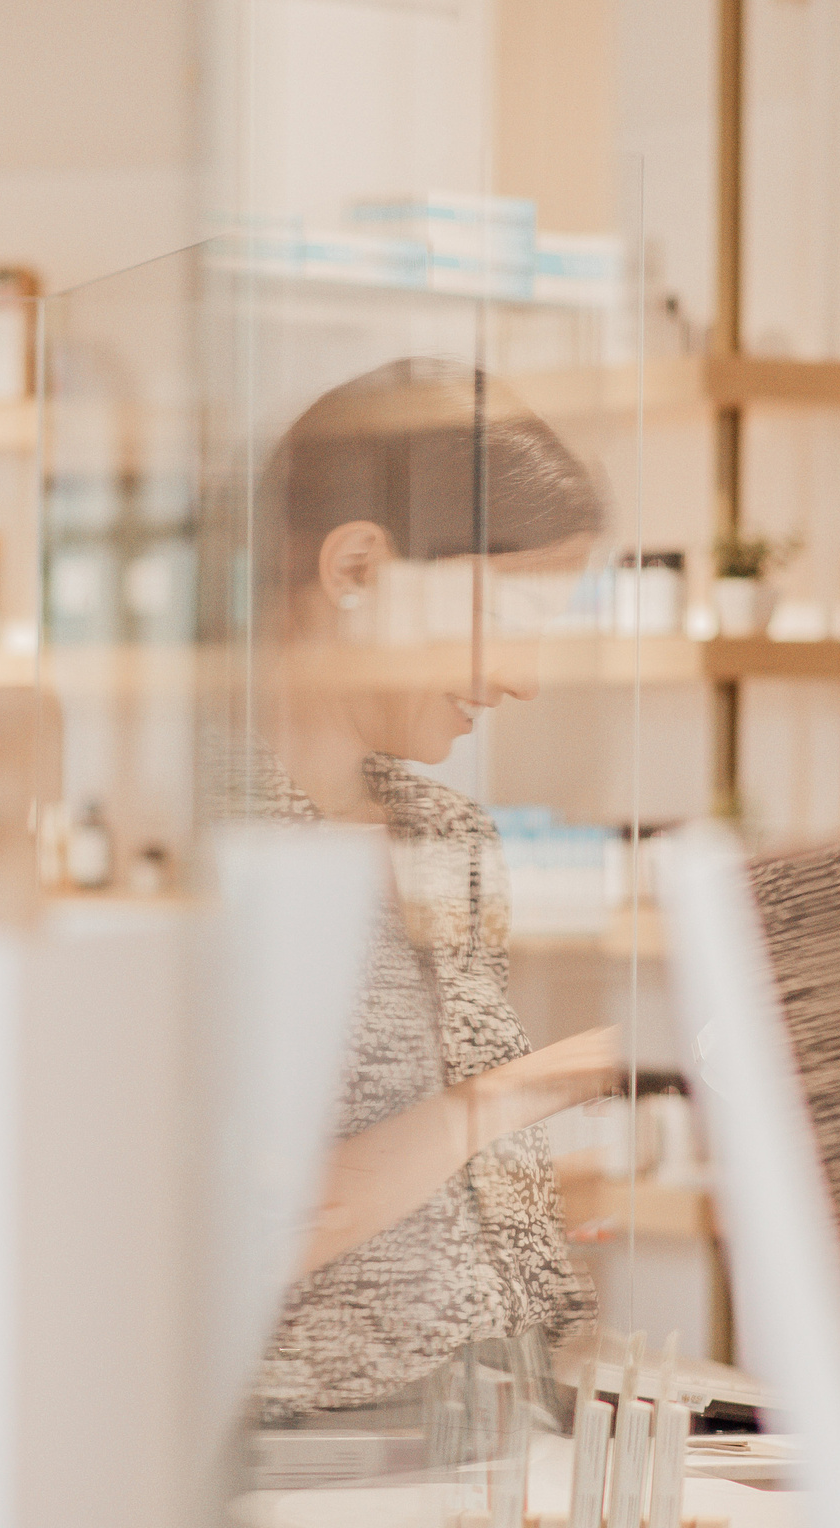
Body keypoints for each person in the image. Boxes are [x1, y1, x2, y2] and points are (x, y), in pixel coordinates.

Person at [232, 359, 616, 1423]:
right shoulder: (187, 839)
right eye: (511, 612)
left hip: (482, 1445)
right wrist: (547, 1081)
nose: (525, 674)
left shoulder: (451, 835)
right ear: (357, 565)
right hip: (280, 1479)